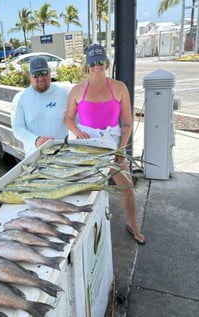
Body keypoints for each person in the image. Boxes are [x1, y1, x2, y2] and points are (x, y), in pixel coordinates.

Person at [64, 43, 146, 245]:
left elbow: (127, 123)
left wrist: (121, 149)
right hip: (88, 146)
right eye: (93, 62)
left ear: (106, 63)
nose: (97, 66)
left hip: (113, 143)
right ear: (87, 65)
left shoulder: (119, 87)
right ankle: (84, 230)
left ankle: (133, 223)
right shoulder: (77, 90)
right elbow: (68, 119)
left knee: (126, 188)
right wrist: (78, 132)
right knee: (86, 190)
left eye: (100, 61)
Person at [11, 56, 69, 156]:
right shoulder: (20, 98)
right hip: (35, 157)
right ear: (29, 76)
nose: (40, 78)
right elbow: (17, 128)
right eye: (36, 74)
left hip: (63, 155)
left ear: (50, 72)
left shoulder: (65, 94)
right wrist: (36, 140)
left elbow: (77, 122)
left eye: (43, 73)